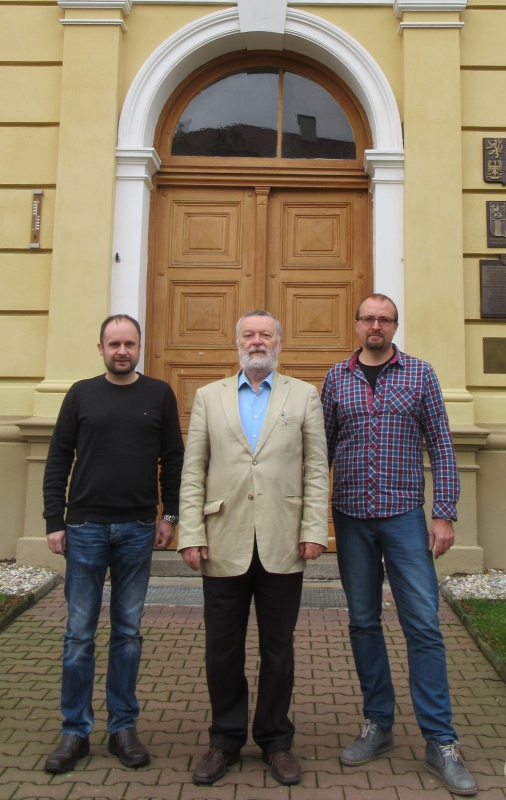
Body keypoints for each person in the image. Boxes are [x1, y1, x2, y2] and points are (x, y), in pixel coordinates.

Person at [321, 294, 477, 796]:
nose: (375, 326)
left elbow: (442, 445)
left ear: (394, 326)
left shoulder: (421, 374)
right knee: (363, 623)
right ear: (356, 324)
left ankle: (441, 740)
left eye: (384, 319)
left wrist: (444, 512)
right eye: (368, 318)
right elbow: (318, 449)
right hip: (350, 519)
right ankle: (378, 724)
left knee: (423, 626)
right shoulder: (335, 379)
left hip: (406, 518)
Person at [178, 309, 329, 786]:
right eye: (249, 334)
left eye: (266, 334)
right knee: (222, 649)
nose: (257, 341)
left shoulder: (304, 395)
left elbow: (316, 467)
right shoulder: (208, 397)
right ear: (237, 342)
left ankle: (275, 740)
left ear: (279, 342)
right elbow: (193, 470)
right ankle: (223, 740)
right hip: (223, 538)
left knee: (278, 649)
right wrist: (191, 533)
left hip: (283, 539)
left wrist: (314, 529)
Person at [42, 314, 184, 774]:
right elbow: (59, 457)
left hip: (138, 529)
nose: (122, 351)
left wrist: (170, 516)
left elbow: (173, 459)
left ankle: (123, 726)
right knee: (79, 635)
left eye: (129, 343)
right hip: (84, 527)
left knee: (127, 633)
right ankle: (74, 732)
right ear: (99, 348)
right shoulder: (81, 394)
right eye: (114, 343)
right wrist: (54, 520)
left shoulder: (159, 394)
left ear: (139, 346)